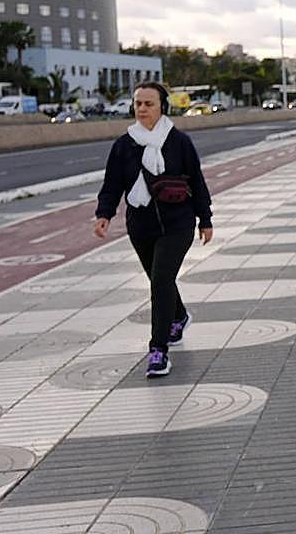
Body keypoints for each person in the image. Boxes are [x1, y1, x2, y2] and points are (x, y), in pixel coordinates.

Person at [93, 82, 213, 378]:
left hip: (178, 224)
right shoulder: (124, 145)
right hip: (141, 226)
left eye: (149, 104)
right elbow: (112, 185)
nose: (143, 109)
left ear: (162, 107)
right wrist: (104, 214)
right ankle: (180, 316)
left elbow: (196, 181)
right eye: (138, 104)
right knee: (160, 279)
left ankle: (158, 351)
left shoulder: (179, 142)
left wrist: (205, 218)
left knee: (160, 280)